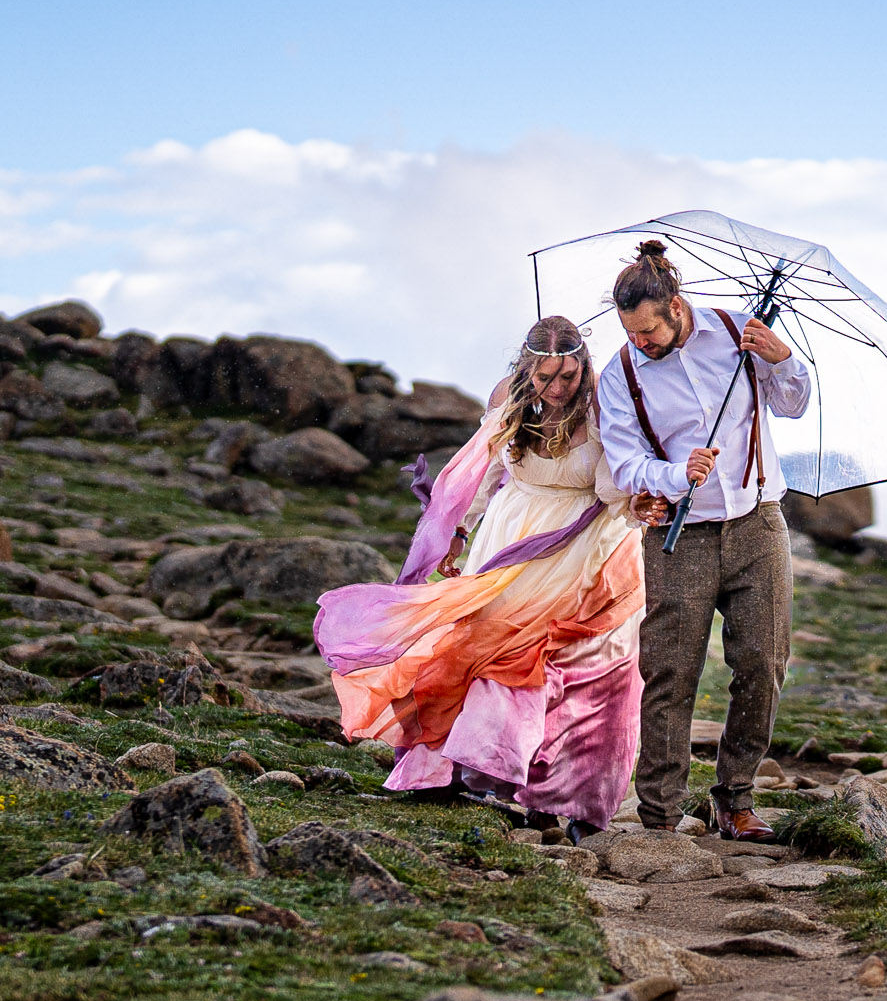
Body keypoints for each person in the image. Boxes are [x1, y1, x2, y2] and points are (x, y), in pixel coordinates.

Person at [313, 316, 644, 840]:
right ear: (526, 370)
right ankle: (475, 772)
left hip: (588, 545)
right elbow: (485, 473)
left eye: (567, 377)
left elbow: (611, 486)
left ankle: (567, 796)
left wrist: (641, 499)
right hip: (512, 538)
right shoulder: (510, 401)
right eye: (543, 378)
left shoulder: (605, 406)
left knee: (587, 666)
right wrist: (460, 533)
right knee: (491, 650)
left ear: (583, 368)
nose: (555, 390)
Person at [598, 238, 812, 838]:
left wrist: (781, 358)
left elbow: (792, 405)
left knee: (763, 662)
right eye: (630, 333)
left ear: (676, 304)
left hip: (757, 523)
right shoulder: (619, 374)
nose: (640, 344)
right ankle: (660, 813)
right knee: (669, 672)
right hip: (678, 533)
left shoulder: (739, 330)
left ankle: (735, 799)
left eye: (648, 332)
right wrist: (673, 473)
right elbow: (624, 462)